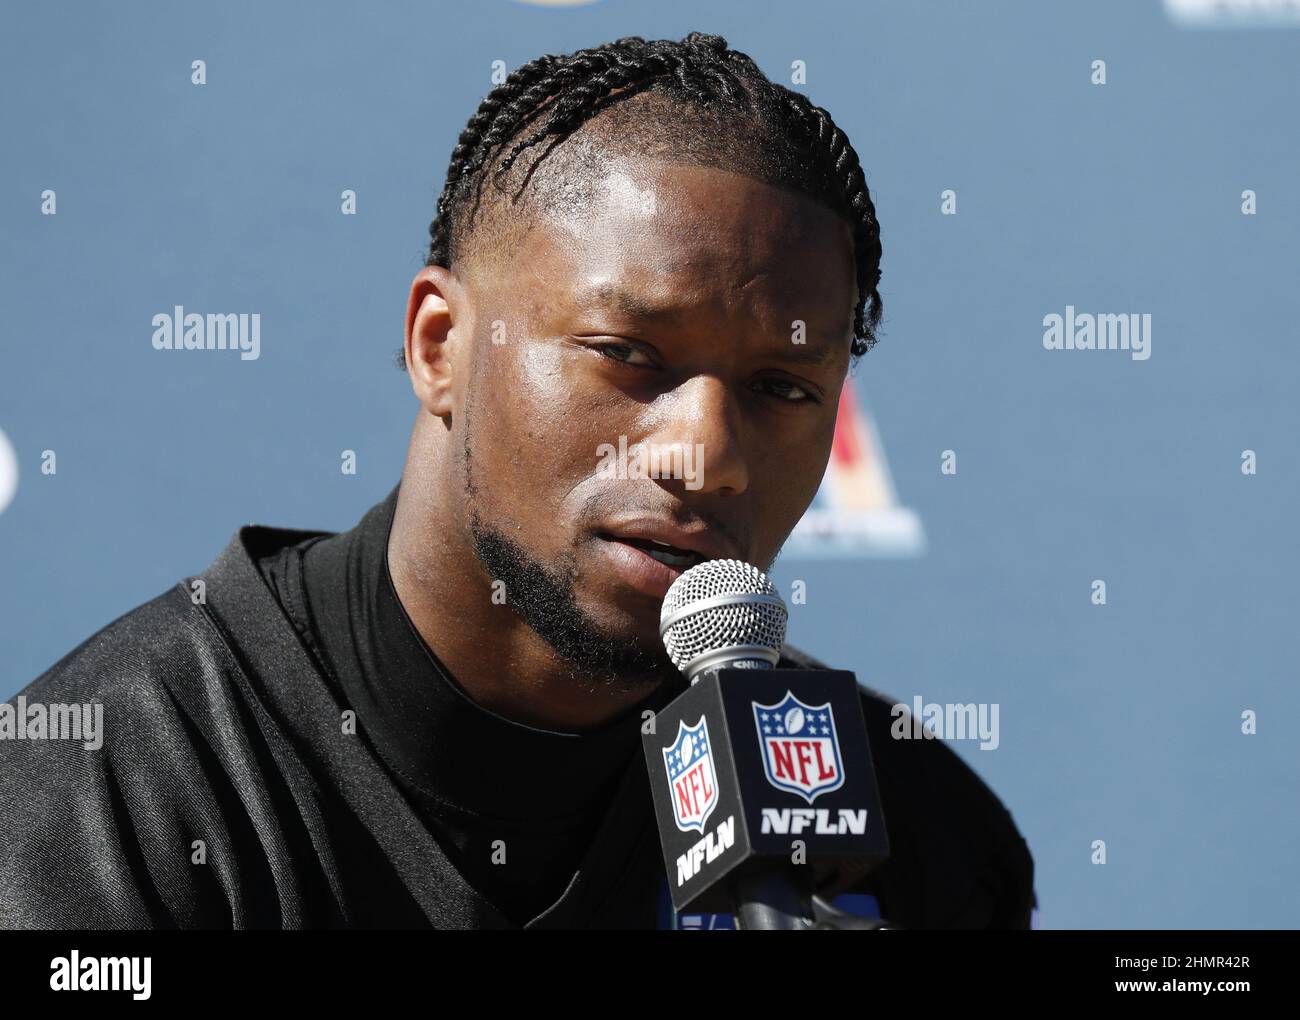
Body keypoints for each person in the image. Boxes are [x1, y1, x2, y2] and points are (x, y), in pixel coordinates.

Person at [0, 32, 1034, 929]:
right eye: (630, 355)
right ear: (440, 345)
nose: (706, 455)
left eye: (780, 387)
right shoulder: (97, 801)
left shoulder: (907, 828)